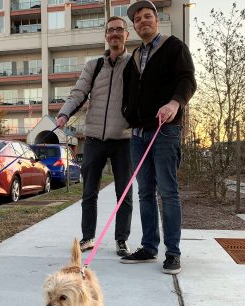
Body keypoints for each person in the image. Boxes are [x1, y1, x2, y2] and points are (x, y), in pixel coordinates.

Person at [119, 0, 196, 274]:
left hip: (165, 131)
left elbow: (187, 80)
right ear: (135, 26)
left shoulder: (174, 47)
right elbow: (127, 96)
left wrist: (175, 104)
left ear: (156, 19)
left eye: (147, 16)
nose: (142, 21)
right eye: (137, 19)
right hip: (139, 135)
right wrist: (128, 115)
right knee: (144, 193)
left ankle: (173, 253)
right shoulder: (133, 59)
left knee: (168, 191)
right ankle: (149, 247)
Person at [56, 16, 133, 257]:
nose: (115, 34)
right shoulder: (94, 65)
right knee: (89, 191)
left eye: (119, 30)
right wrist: (64, 114)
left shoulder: (134, 64)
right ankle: (88, 237)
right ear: (106, 35)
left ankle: (121, 239)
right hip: (94, 139)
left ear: (126, 35)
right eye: (111, 30)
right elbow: (78, 92)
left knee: (125, 193)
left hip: (124, 139)